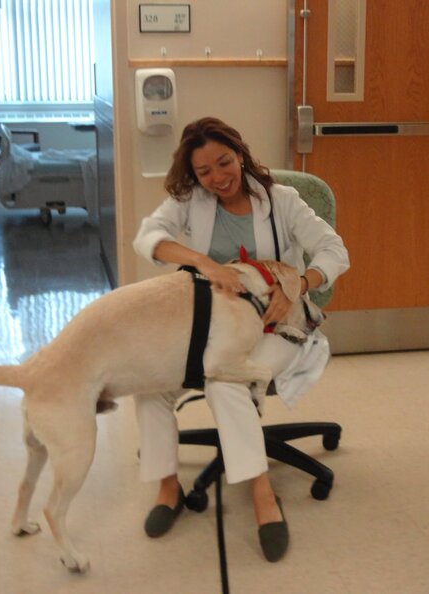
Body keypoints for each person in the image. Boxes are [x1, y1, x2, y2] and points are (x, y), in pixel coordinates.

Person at [132, 117, 349, 562]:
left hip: (277, 321)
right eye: (204, 171)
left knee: (225, 382)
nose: (218, 177)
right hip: (210, 321)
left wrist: (298, 287)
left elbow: (334, 251)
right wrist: (202, 262)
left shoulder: (281, 201)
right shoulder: (191, 200)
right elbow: (148, 237)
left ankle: (262, 495)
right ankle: (168, 487)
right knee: (150, 383)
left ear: (240, 154)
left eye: (224, 162)